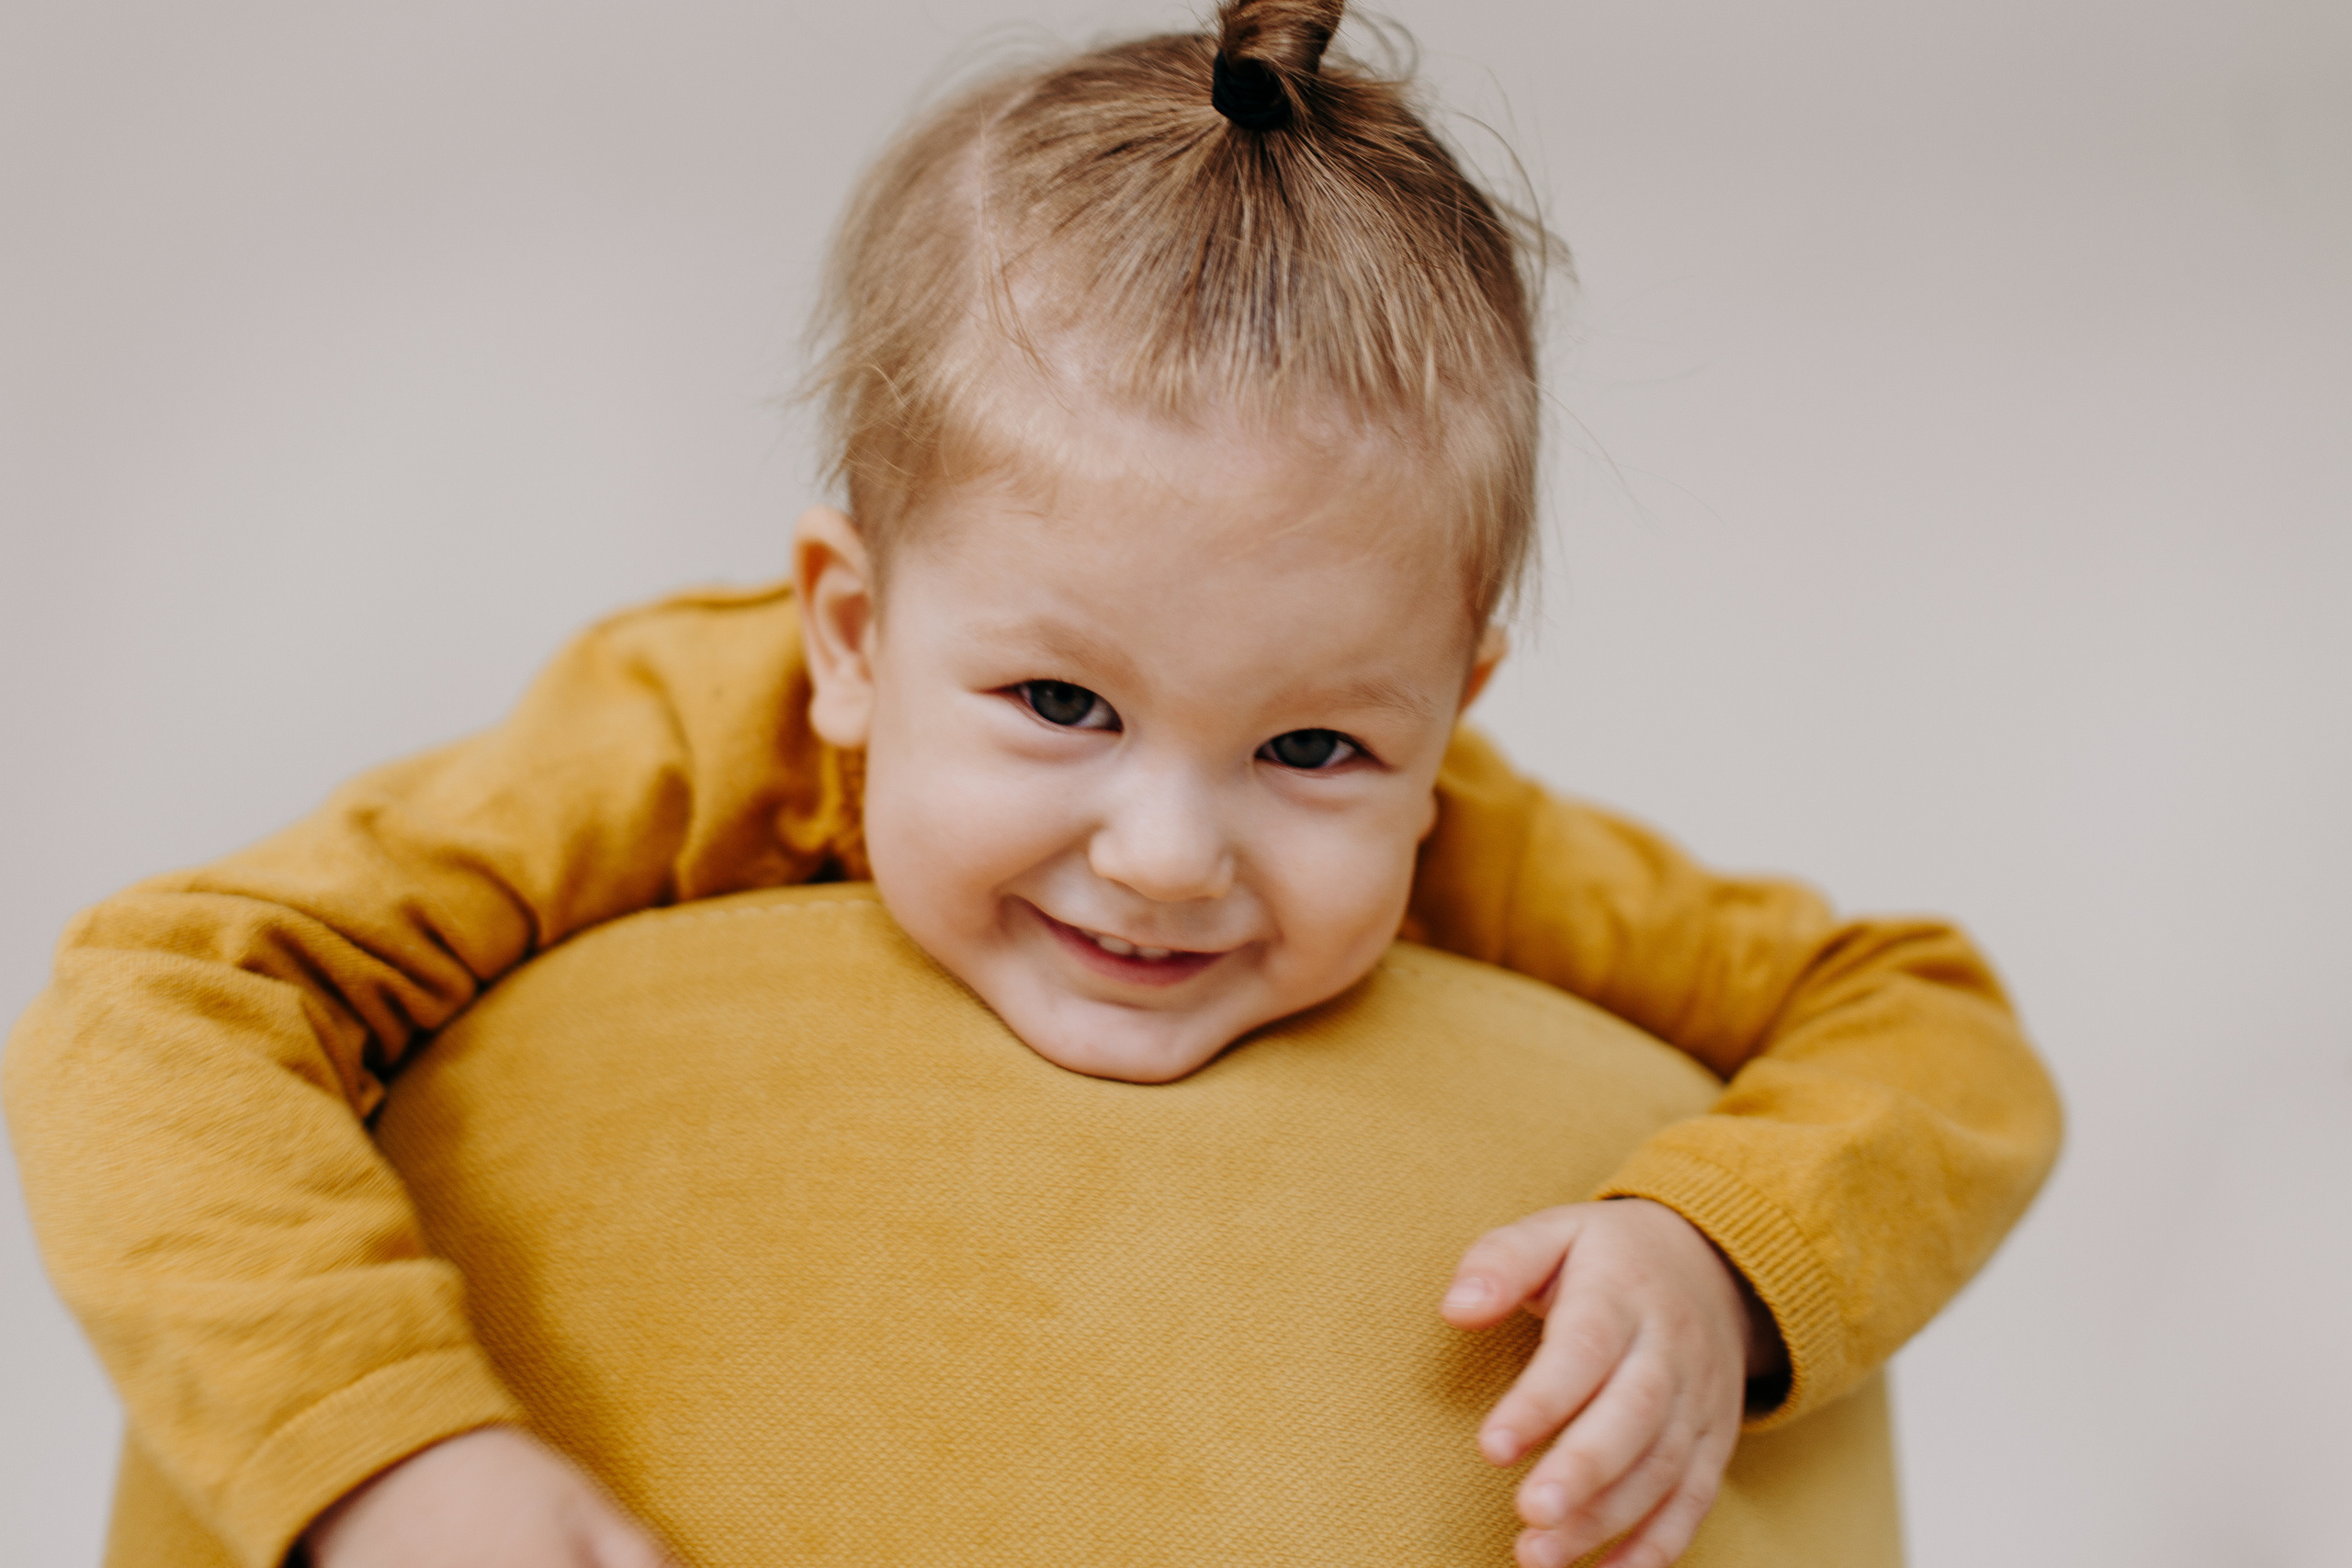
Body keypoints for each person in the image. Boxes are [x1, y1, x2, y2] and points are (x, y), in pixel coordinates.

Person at [1, 4, 2062, 1567]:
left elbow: (1932, 1030)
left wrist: (1717, 1251)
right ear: (850, 634)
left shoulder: (1480, 837)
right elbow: (162, 1002)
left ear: (1450, 709)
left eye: (1314, 747)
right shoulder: (669, 739)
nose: (1166, 853)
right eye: (1059, 702)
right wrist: (388, 1447)